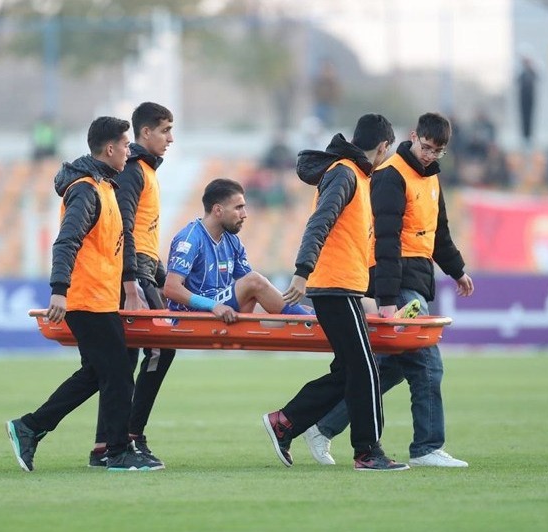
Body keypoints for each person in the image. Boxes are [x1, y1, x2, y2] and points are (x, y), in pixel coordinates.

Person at [303, 112, 475, 468]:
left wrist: (457, 270)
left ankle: (323, 426)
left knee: (389, 368)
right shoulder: (390, 175)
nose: (429, 155)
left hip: (417, 279)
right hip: (397, 283)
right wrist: (386, 299)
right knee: (428, 365)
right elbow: (385, 241)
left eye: (437, 151)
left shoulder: (430, 179)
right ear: (414, 136)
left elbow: (439, 233)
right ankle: (427, 447)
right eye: (426, 147)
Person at [6, 116, 162, 473]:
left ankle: (30, 427)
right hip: (86, 299)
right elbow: (66, 241)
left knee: (96, 373)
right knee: (118, 373)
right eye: (125, 145)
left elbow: (115, 243)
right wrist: (59, 291)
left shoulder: (104, 186)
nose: (129, 151)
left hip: (99, 298)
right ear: (109, 149)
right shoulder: (86, 190)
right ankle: (117, 452)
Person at [262, 113, 409, 471]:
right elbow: (320, 222)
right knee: (365, 368)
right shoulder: (345, 173)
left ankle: (286, 421)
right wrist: (302, 271)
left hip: (343, 286)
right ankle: (367, 451)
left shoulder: (354, 174)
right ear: (383, 146)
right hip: (333, 286)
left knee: (349, 370)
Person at [88, 102, 174, 468]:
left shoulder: (145, 171)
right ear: (145, 133)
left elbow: (144, 232)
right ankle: (129, 436)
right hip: (132, 272)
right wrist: (131, 281)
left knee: (125, 359)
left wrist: (162, 276)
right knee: (158, 349)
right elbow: (123, 227)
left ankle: (105, 444)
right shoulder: (135, 170)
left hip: (143, 269)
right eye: (165, 130)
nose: (171, 138)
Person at [163, 178, 313, 324]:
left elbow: (255, 288)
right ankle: (306, 322)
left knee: (255, 285)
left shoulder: (232, 241)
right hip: (191, 316)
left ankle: (301, 316)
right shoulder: (190, 239)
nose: (244, 214)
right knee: (254, 280)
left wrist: (287, 304)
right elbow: (170, 288)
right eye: (238, 208)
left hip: (221, 310)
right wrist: (213, 305)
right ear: (218, 210)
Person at [517, 54, 538, 148]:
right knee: (523, 118)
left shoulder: (532, 72)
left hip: (530, 97)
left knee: (530, 118)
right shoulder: (521, 73)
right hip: (523, 98)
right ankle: (524, 136)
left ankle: (530, 136)